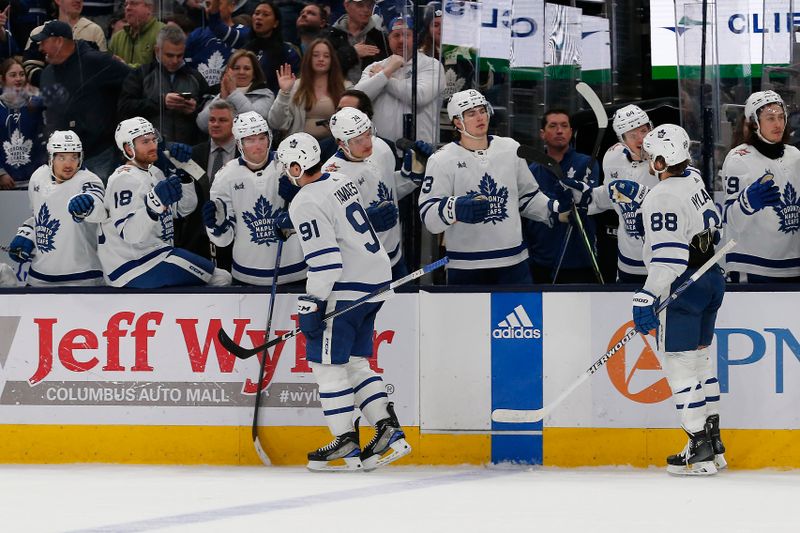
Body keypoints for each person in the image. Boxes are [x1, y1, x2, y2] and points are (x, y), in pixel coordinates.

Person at [276, 131, 411, 472]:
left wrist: (312, 303)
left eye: (285, 166)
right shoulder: (338, 179)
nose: (283, 173)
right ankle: (388, 432)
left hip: (346, 287)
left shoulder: (304, 201)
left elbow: (326, 262)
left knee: (326, 366)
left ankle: (345, 443)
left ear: (295, 166)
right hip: (375, 282)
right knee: (354, 363)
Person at [631, 123, 725, 476]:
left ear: (659, 160)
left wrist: (646, 296)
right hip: (712, 280)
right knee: (701, 361)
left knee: (679, 367)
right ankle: (714, 443)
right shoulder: (695, 177)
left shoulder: (662, 197)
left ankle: (698, 447)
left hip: (684, 285)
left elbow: (669, 258)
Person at [418, 89, 572, 285]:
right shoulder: (442, 159)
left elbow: (528, 198)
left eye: (482, 110)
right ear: (457, 122)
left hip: (514, 264)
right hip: (466, 267)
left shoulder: (510, 148)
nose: (480, 117)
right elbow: (428, 215)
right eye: (471, 113)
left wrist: (557, 211)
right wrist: (454, 208)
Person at [98, 116, 232, 288]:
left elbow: (183, 209)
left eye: (153, 140)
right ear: (128, 147)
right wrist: (153, 207)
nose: (153, 145)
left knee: (219, 277)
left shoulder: (154, 172)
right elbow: (130, 234)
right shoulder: (124, 179)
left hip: (156, 255)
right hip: (134, 265)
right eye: (145, 141)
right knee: (220, 278)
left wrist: (183, 176)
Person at [322, 107, 428, 280]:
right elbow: (329, 228)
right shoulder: (333, 176)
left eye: (368, 134)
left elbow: (388, 192)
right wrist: (366, 223)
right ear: (342, 143)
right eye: (358, 140)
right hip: (361, 269)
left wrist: (409, 178)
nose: (367, 143)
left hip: (395, 258)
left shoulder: (381, 148)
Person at [202, 111, 306, 286]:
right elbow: (223, 240)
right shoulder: (225, 176)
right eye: (250, 140)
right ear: (239, 143)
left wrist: (299, 196)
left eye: (261, 138)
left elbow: (316, 215)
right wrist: (215, 225)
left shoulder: (289, 165)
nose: (258, 145)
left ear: (269, 138)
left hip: (295, 270)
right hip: (246, 274)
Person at [34, 20, 131, 181]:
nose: (40, 48)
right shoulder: (47, 74)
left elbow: (134, 81)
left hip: (98, 155)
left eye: (44, 42)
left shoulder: (97, 62)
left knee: (97, 204)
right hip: (61, 160)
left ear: (59, 41)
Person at [7, 130, 106, 286]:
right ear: (51, 157)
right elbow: (38, 217)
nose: (69, 164)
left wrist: (88, 204)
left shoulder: (89, 181)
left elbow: (99, 211)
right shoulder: (38, 177)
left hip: (82, 278)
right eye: (62, 157)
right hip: (39, 277)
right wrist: (26, 234)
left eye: (74, 157)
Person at [721, 90, 800, 283]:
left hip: (793, 265)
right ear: (755, 122)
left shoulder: (796, 156)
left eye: (781, 117)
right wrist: (747, 203)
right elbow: (732, 221)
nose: (778, 124)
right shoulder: (738, 159)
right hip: (752, 265)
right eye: (770, 118)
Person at [524, 109, 600, 283]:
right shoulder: (531, 171)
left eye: (564, 126)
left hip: (581, 260)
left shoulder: (586, 164)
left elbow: (588, 202)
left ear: (571, 132)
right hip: (542, 261)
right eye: (553, 126)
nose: (559, 130)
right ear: (542, 133)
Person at [354, 15, 445, 145]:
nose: (401, 40)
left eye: (406, 35)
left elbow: (419, 97)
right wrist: (387, 71)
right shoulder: (374, 67)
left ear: (415, 38)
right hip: (380, 147)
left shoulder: (431, 65)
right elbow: (358, 99)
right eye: (396, 35)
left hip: (420, 148)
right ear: (388, 39)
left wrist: (384, 76)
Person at [118, 25, 210, 145]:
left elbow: (210, 116)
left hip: (188, 152)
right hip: (149, 150)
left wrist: (194, 111)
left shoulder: (196, 77)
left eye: (180, 55)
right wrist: (161, 102)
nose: (175, 60)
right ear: (157, 50)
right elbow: (124, 108)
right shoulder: (141, 75)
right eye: (170, 55)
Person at [175, 99, 239, 267]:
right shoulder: (192, 155)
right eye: (212, 120)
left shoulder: (245, 156)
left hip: (235, 238)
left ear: (235, 124)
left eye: (222, 120)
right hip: (196, 239)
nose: (216, 124)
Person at [268, 37, 347, 158]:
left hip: (333, 148)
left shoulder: (345, 88)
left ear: (332, 60)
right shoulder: (294, 87)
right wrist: (284, 92)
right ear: (309, 58)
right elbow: (276, 123)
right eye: (316, 55)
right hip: (300, 148)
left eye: (326, 56)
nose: (321, 59)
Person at [205, 1, 301, 95]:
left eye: (265, 14)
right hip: (237, 97)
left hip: (268, 102)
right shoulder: (244, 38)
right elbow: (216, 26)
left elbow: (292, 85)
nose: (259, 17)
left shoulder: (286, 52)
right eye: (256, 13)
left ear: (275, 23)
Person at [196, 50, 274, 135]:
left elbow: (255, 120)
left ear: (254, 73)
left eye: (246, 68)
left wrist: (233, 92)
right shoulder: (217, 93)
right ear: (228, 72)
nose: (241, 72)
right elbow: (202, 125)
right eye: (236, 68)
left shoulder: (265, 94)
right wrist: (222, 98)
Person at [0, 57, 46, 190]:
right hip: (5, 183)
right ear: (3, 79)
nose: (18, 79)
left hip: (35, 182)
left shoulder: (37, 104)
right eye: (13, 75)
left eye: (21, 74)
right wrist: (0, 173)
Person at [321, 0, 389, 85]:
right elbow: (320, 66)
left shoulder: (380, 38)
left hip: (370, 95)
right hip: (335, 93)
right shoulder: (328, 36)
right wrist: (352, 52)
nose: (366, 10)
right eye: (360, 5)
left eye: (370, 5)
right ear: (346, 5)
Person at [185, 0, 239, 87]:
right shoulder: (196, 35)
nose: (210, 9)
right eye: (208, 4)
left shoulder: (243, 32)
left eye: (217, 5)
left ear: (231, 6)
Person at [108, 0, 164, 68]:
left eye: (133, 3)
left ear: (149, 8)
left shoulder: (163, 33)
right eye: (126, 4)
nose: (127, 8)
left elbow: (162, 70)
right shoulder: (117, 38)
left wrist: (126, 68)